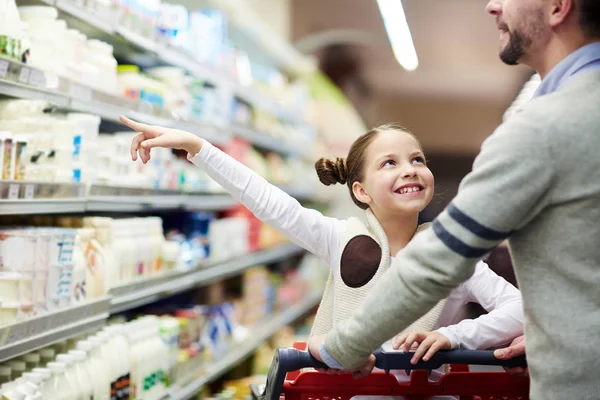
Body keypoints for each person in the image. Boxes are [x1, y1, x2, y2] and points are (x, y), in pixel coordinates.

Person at [307, 1, 600, 399]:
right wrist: (558, 330)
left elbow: (438, 261)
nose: (492, 6)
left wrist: (338, 347)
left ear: (557, 7)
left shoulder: (542, 126)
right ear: (360, 189)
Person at [120, 117, 524, 399]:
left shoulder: (452, 255)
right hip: (347, 394)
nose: (411, 169)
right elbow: (270, 202)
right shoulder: (338, 237)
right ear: (361, 191)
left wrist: (452, 336)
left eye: (418, 159)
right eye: (390, 163)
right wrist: (198, 148)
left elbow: (521, 310)